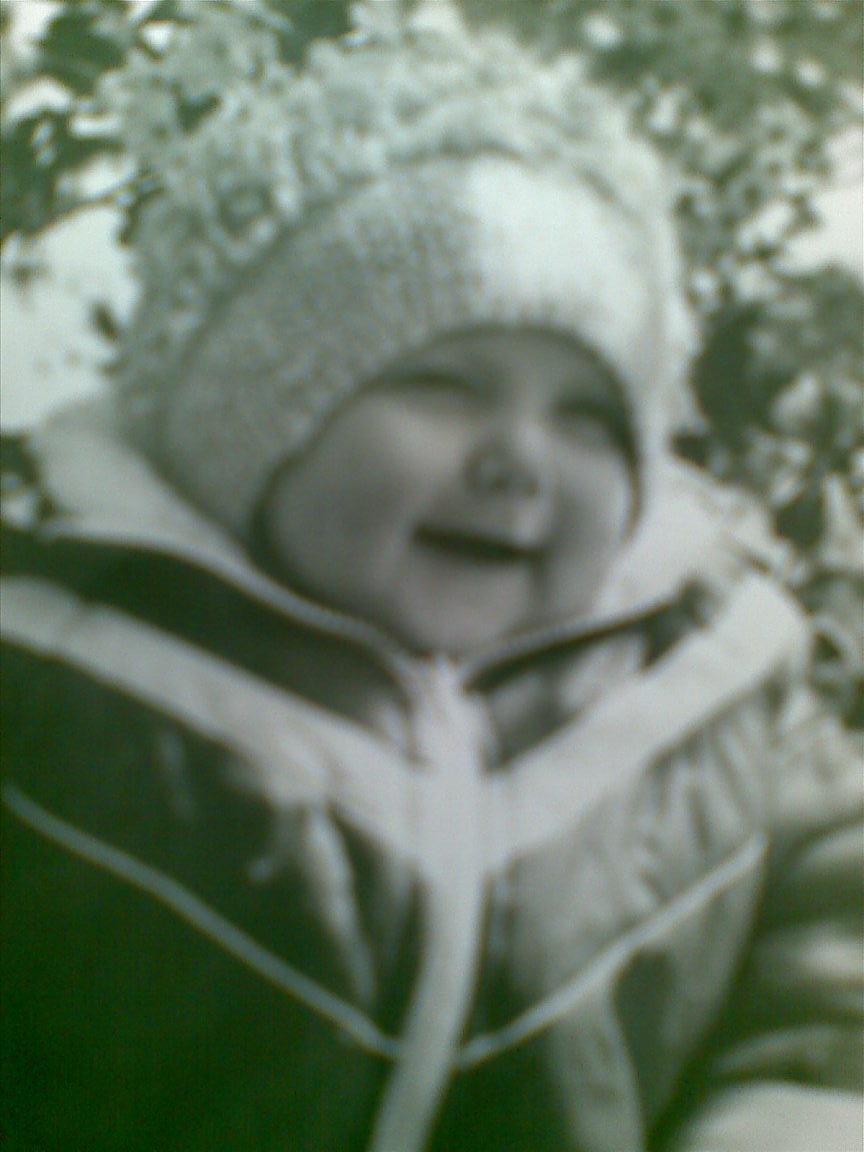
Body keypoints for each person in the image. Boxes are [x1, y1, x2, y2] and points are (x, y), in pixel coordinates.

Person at [2, 4, 861, 1150]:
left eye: (589, 416)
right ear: (245, 426)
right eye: (444, 385)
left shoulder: (713, 676)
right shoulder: (56, 665)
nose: (520, 460)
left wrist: (789, 1117)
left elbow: (823, 950)